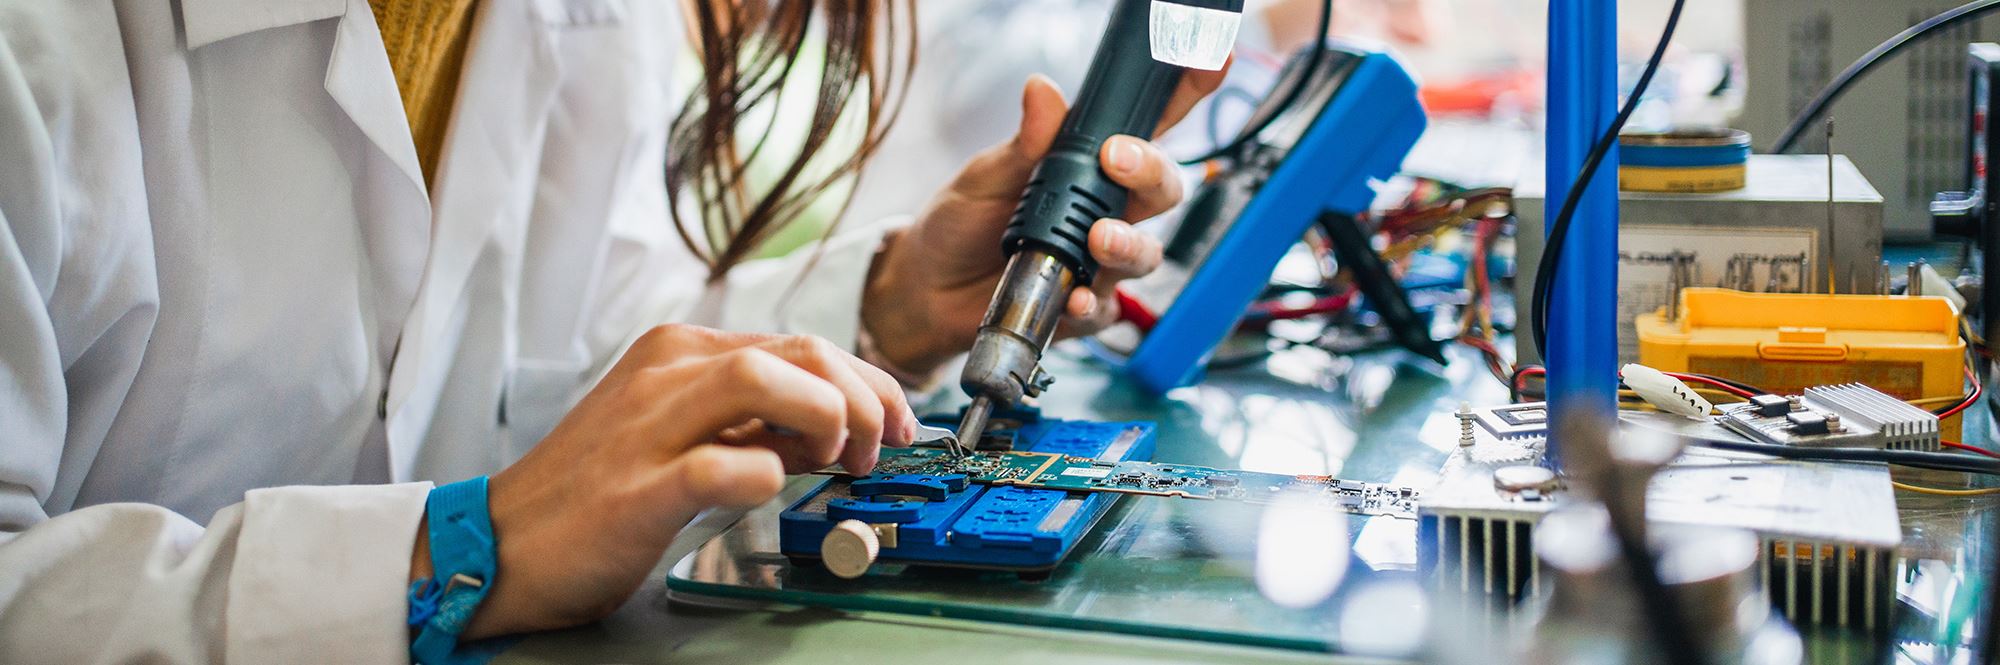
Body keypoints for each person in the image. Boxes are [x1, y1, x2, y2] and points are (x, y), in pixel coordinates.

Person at [0, 0, 1220, 661]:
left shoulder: (570, 23)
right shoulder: (40, 47)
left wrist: (889, 306)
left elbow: (583, 364)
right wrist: (451, 555)